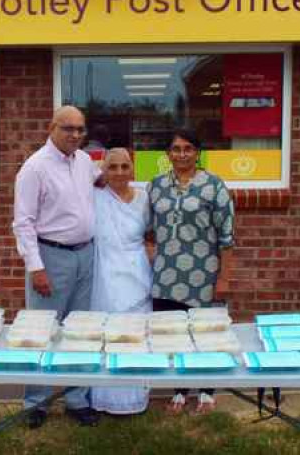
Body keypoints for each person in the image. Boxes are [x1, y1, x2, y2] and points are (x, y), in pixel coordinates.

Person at [12, 105, 100, 429]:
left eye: (80, 129)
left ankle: (77, 399)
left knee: (80, 331)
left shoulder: (84, 162)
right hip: (52, 257)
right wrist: (36, 269)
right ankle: (36, 402)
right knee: (43, 330)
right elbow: (23, 223)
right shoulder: (34, 168)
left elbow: (102, 181)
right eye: (68, 129)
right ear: (52, 128)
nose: (75, 135)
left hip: (85, 255)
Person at [148, 128, 235, 415]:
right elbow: (148, 231)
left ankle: (207, 391)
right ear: (168, 154)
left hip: (204, 273)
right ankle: (179, 389)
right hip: (167, 275)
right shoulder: (156, 186)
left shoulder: (214, 186)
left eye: (188, 148)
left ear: (198, 153)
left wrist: (224, 277)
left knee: (206, 333)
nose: (181, 154)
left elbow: (227, 236)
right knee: (173, 333)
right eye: (176, 149)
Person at [89, 148, 152, 415]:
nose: (119, 173)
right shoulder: (94, 197)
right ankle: (105, 398)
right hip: (104, 271)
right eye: (112, 167)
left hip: (138, 271)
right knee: (108, 334)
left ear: (133, 170)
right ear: (103, 171)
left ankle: (135, 397)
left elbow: (150, 233)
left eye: (124, 166)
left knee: (136, 335)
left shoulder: (144, 198)